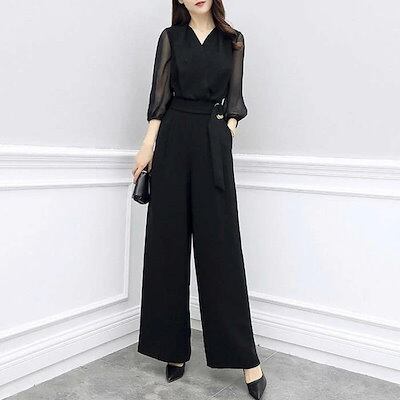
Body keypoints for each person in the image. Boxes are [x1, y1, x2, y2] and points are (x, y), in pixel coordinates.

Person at [133, 1, 267, 398]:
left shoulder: (234, 40)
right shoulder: (171, 38)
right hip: (173, 140)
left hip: (212, 140)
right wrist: (147, 146)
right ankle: (171, 349)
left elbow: (235, 101)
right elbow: (160, 97)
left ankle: (247, 360)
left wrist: (226, 133)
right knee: (167, 246)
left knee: (221, 250)